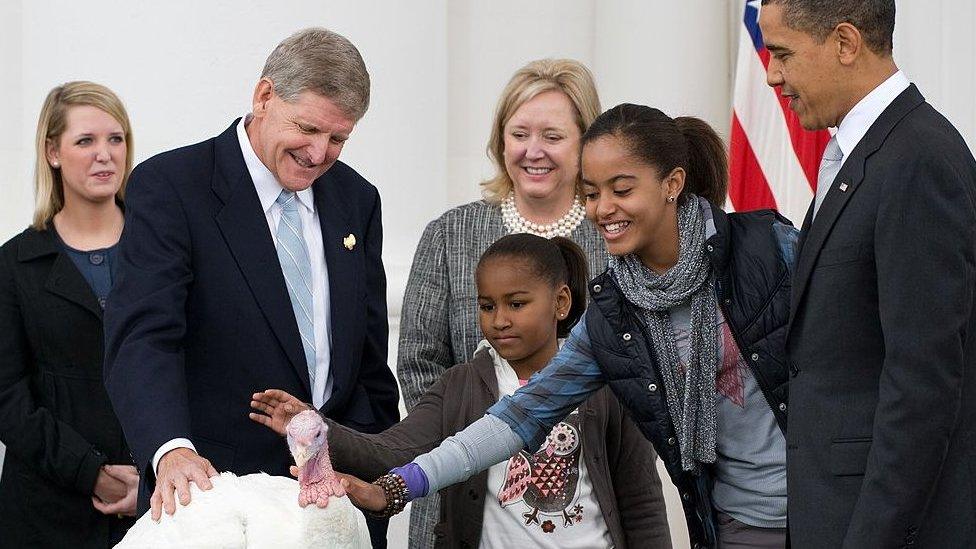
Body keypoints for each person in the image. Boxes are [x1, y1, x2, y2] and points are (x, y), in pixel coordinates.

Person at [330, 104, 799, 549]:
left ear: (672, 183)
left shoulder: (766, 246)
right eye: (592, 193)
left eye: (622, 189)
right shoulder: (614, 317)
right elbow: (515, 418)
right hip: (739, 525)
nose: (603, 209)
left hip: (831, 506)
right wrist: (396, 488)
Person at [102, 27, 399, 547]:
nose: (318, 153)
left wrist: (374, 475)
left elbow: (369, 362)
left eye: (338, 138)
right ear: (264, 96)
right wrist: (170, 449)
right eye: (306, 128)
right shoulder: (173, 186)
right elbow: (144, 337)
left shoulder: (357, 199)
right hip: (215, 502)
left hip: (334, 507)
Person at [252, 234, 672, 549]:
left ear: (560, 303)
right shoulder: (461, 384)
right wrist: (315, 427)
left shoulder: (604, 385)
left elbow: (641, 500)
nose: (500, 319)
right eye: (487, 306)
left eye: (517, 303)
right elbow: (391, 451)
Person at [757, 1, 976, 547]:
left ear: (846, 43)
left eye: (783, 53)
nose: (771, 74)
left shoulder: (917, 160)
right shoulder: (867, 156)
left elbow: (922, 384)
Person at [396, 58, 607, 548]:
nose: (534, 151)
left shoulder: (612, 236)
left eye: (553, 136)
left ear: (585, 144)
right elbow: (419, 364)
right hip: (462, 497)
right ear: (500, 142)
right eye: (519, 134)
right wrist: (483, 447)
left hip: (583, 502)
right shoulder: (450, 233)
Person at [0, 81, 138, 547]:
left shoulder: (165, 251)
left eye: (115, 139)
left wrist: (154, 476)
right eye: (86, 141)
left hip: (158, 508)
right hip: (46, 515)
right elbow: (7, 399)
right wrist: (91, 472)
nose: (105, 155)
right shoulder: (13, 265)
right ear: (52, 152)